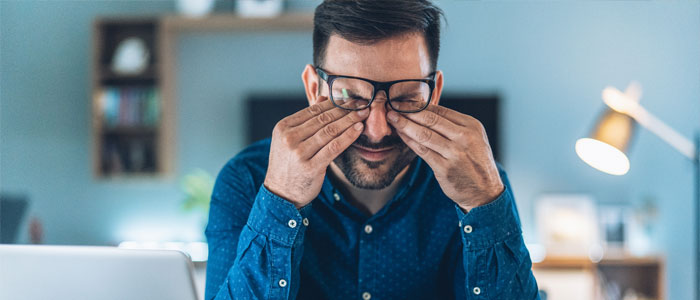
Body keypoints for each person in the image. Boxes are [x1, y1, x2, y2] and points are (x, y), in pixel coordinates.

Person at [205, 0, 540, 299]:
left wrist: (484, 204)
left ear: (433, 93)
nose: (377, 130)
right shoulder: (247, 181)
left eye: (407, 97)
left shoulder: (479, 183)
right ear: (314, 89)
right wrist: (282, 200)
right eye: (351, 97)